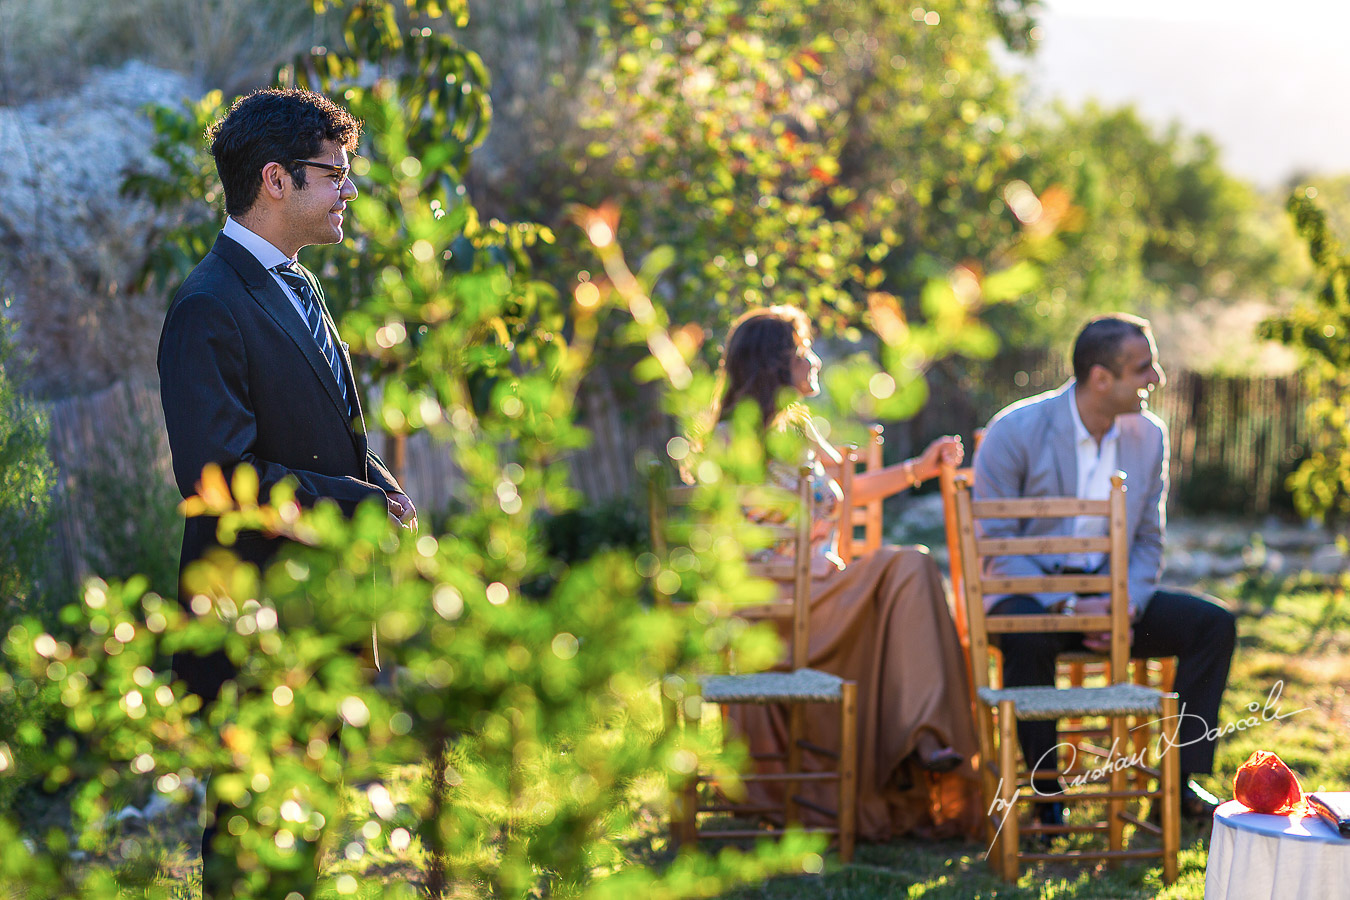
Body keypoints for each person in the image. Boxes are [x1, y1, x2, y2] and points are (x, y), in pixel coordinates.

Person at [158, 88, 415, 898]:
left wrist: (375, 480)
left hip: (317, 620)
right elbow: (216, 479)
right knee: (251, 853)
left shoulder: (298, 285)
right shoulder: (207, 306)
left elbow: (314, 430)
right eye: (333, 174)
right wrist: (351, 502)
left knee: (306, 842)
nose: (348, 191)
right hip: (252, 631)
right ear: (275, 179)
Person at [710, 305, 980, 841]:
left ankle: (926, 737)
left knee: (911, 566)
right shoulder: (728, 439)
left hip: (824, 593)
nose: (812, 360)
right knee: (909, 566)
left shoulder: (800, 427)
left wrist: (919, 471)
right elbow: (722, 542)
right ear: (773, 364)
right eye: (801, 350)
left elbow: (849, 490)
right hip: (775, 607)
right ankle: (924, 736)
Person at [973, 313, 1236, 825]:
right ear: (1101, 378)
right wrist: (1071, 605)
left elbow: (1147, 541)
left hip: (1116, 597)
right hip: (1029, 589)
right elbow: (996, 544)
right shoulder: (1015, 430)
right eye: (1144, 368)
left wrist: (1124, 603)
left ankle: (1180, 785)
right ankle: (1048, 800)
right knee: (1026, 636)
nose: (1155, 379)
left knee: (1214, 625)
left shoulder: (1150, 436)